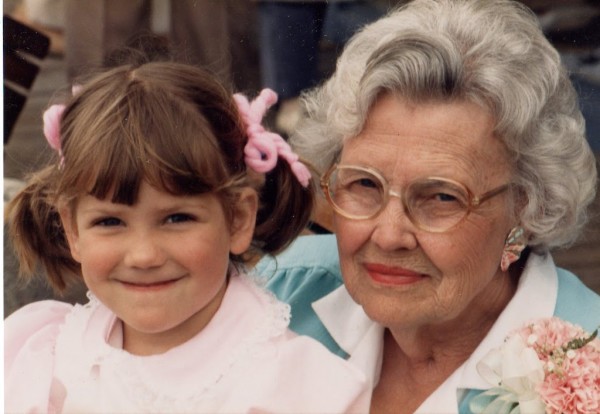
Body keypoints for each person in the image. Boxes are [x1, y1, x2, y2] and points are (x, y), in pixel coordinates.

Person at [256, 0, 600, 412]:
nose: (388, 235)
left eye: (441, 197)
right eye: (365, 183)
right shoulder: (271, 296)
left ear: (525, 211)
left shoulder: (586, 373)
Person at [4, 59, 369, 412]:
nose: (144, 255)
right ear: (72, 228)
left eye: (177, 218)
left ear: (238, 218)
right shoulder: (42, 357)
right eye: (110, 222)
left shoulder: (297, 390)